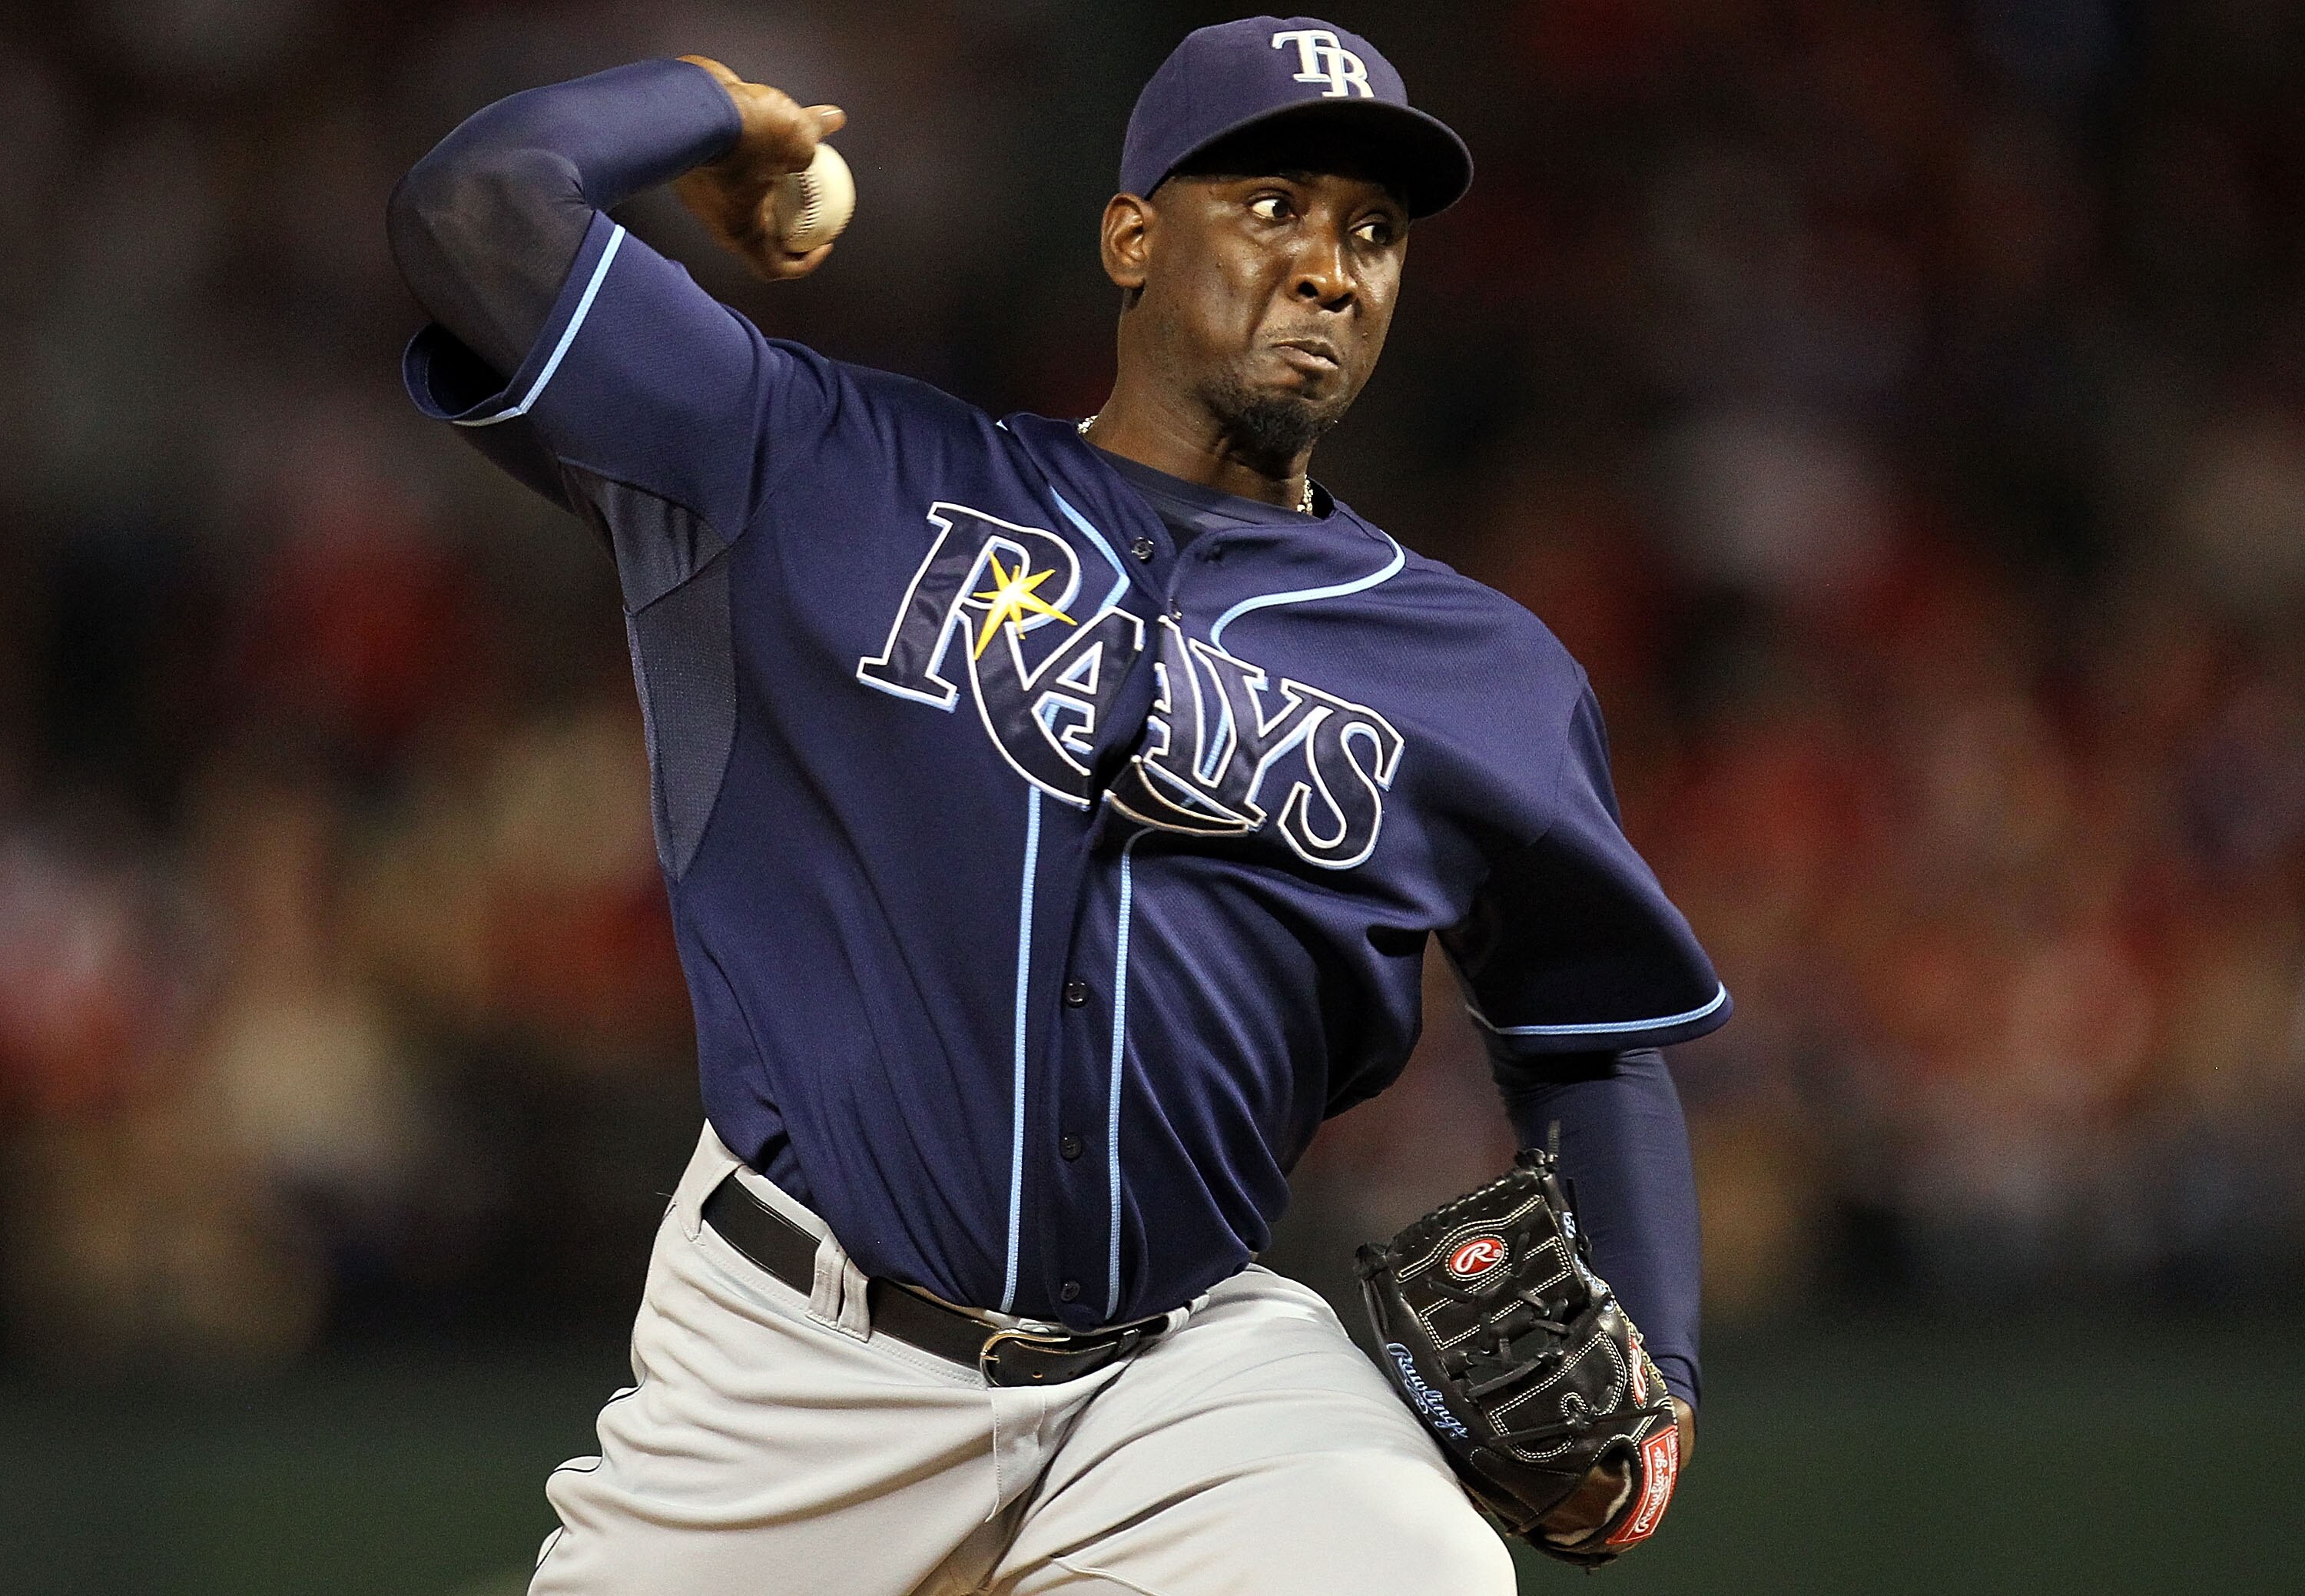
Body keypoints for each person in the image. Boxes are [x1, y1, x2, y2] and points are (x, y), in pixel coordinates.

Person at [387, 16, 1727, 1594]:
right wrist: (714, 112)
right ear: (1133, 237)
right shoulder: (827, 468)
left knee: (1418, 1569)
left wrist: (1661, 1374)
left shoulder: (1477, 674)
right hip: (803, 1358)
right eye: (1273, 204)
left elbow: (1590, 1031)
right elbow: (475, 206)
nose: (1331, 265)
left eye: (1374, 231)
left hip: (1177, 1378)